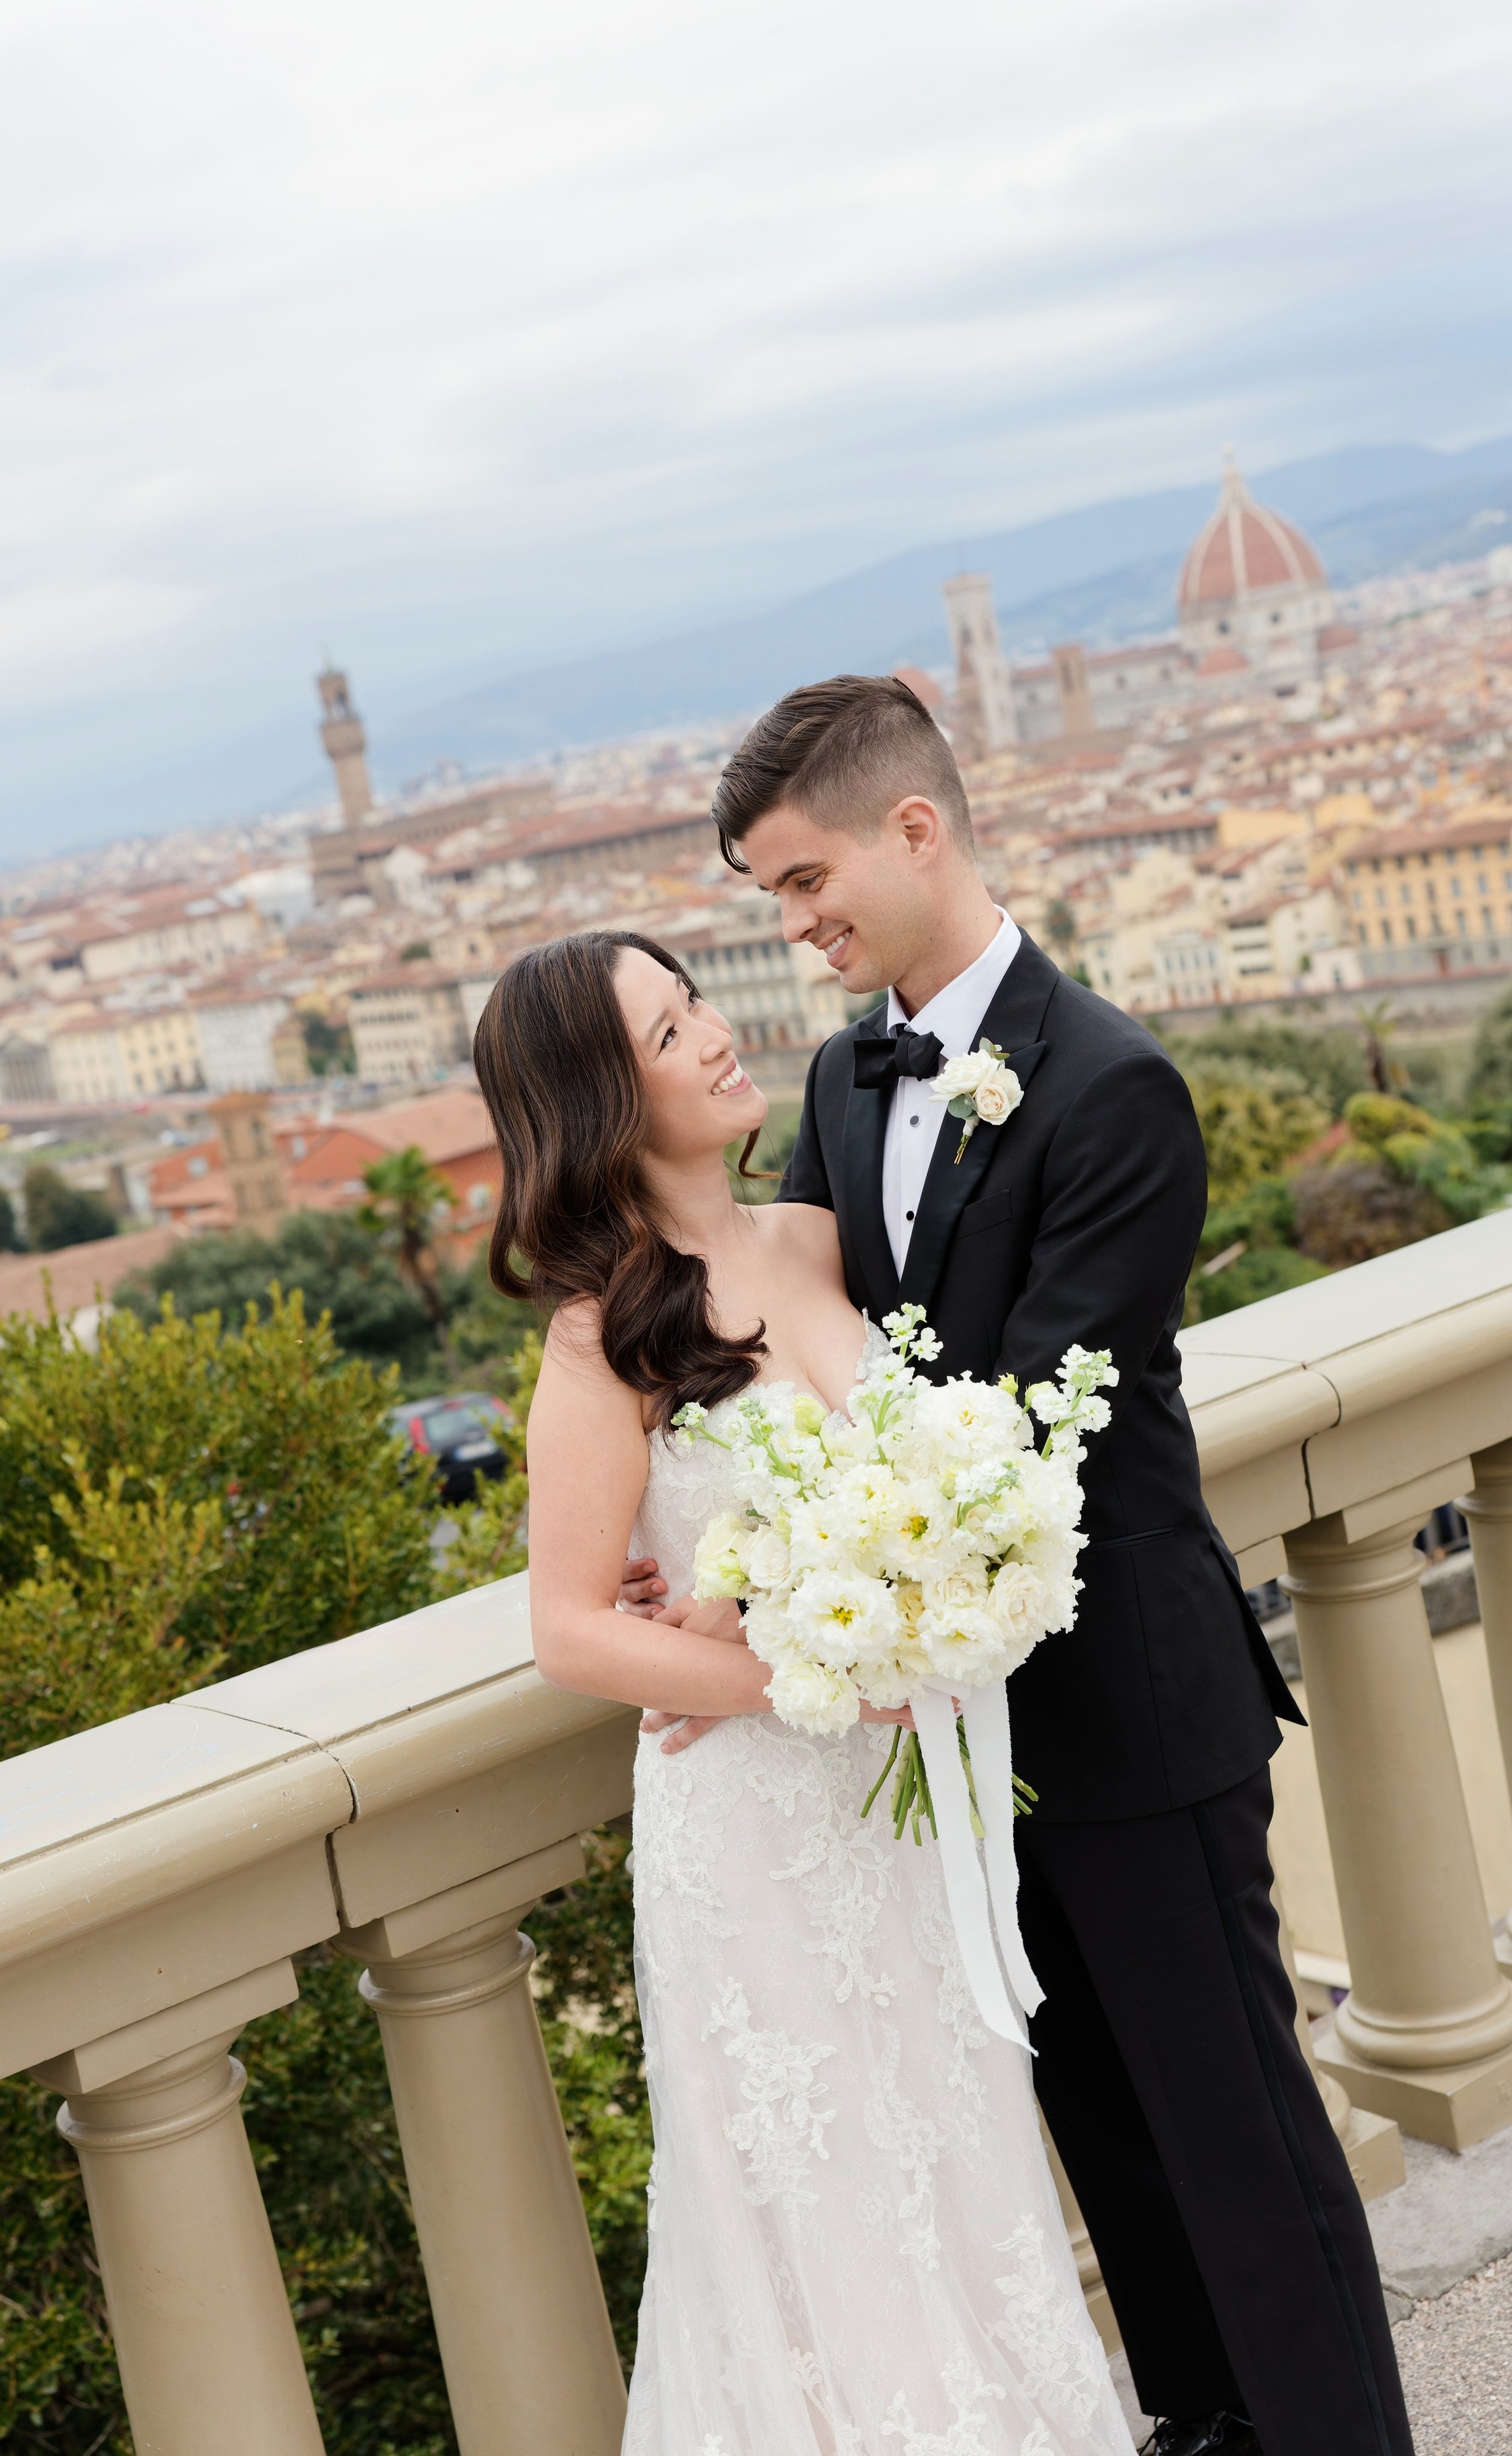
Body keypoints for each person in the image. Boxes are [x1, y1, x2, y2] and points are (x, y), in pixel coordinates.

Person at [615, 675, 1414, 2456]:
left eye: (805, 879)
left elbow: (1011, 1430)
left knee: (1244, 2156)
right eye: (767, 897)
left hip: (1127, 1703)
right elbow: (790, 1346)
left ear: (917, 828)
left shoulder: (1118, 1086)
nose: (796, 925)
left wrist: (755, 1579)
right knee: (1114, 2156)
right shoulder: (839, 1072)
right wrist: (710, 1538)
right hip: (939, 1745)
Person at [477, 926, 1138, 2456]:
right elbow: (571, 1628)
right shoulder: (600, 1337)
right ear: (596, 1099)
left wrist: (922, 1612)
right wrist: (800, 1670)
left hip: (907, 1809)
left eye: (694, 998)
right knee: (825, 2202)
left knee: (957, 2162)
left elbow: (927, 1475)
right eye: (663, 1031)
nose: (714, 1033)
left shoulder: (818, 1240)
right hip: (762, 1828)